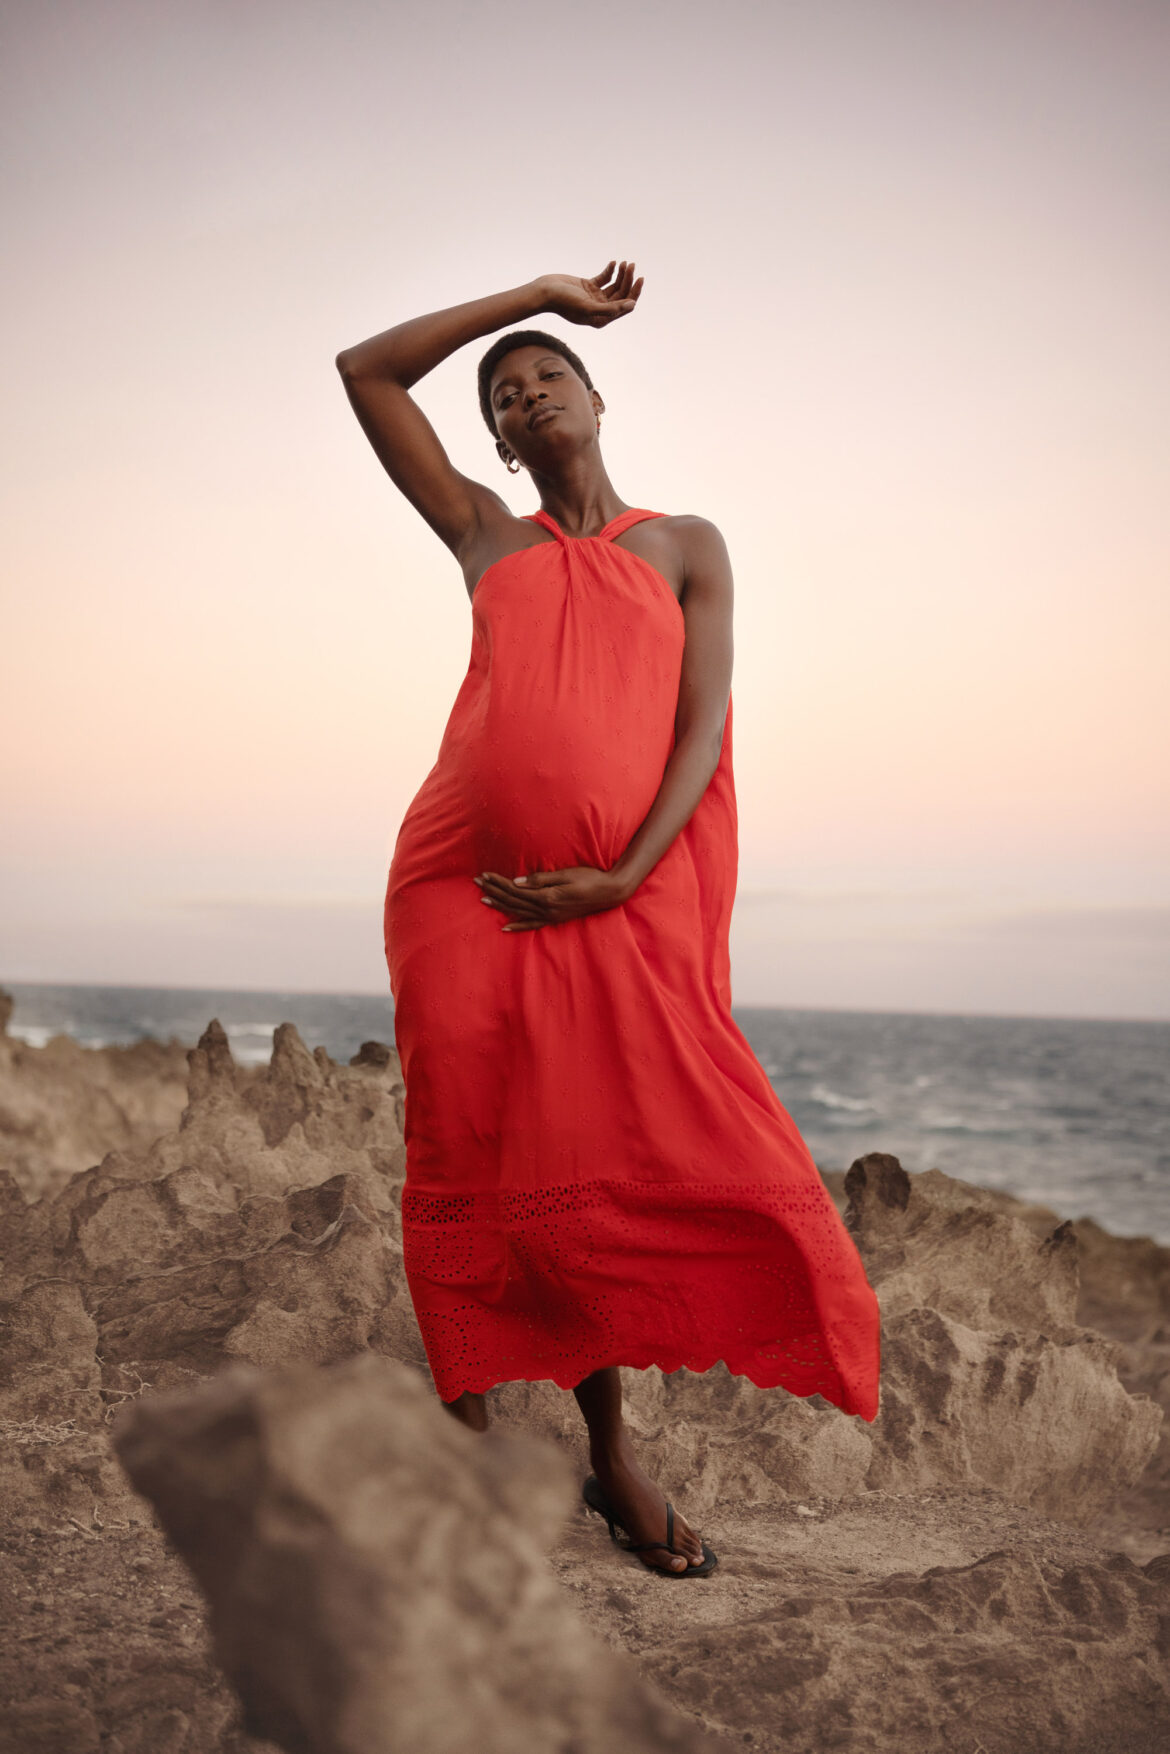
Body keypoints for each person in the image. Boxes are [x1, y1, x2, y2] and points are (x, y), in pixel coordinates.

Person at [335, 262, 881, 1577]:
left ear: (593, 395)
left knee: (598, 1159)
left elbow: (702, 727)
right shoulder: (482, 534)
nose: (526, 396)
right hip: (461, 893)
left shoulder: (686, 543)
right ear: (499, 440)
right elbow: (364, 370)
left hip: (611, 901)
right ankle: (461, 1446)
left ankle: (608, 1456)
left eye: (544, 376)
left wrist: (628, 873)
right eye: (505, 396)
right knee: (471, 1152)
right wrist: (528, 296)